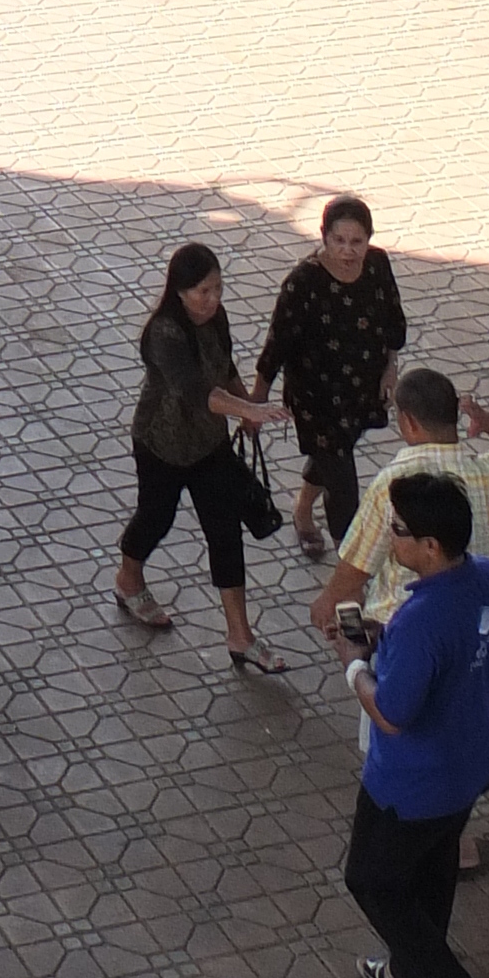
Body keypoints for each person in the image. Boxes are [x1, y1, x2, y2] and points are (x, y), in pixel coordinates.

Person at [316, 371, 489, 874]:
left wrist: (335, 622)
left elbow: (356, 567)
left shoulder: (397, 485)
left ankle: (409, 858)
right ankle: (449, 843)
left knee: (391, 752)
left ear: (406, 421)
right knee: (458, 737)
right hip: (470, 638)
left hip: (402, 641)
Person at [341, 471, 489, 978]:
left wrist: (356, 664)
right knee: (434, 869)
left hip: (410, 786)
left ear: (432, 547)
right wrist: (386, 643)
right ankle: (410, 977)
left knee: (371, 880)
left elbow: (391, 712)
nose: (392, 539)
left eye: (400, 532)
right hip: (469, 766)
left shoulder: (422, 621)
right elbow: (454, 657)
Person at [114, 240, 290, 672]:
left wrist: (245, 403)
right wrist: (248, 409)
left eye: (217, 289)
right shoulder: (165, 332)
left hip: (209, 445)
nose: (212, 300)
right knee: (156, 516)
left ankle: (240, 636)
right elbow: (196, 392)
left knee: (224, 531)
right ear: (179, 291)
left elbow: (224, 368)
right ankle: (128, 577)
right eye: (202, 292)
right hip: (163, 445)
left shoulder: (217, 318)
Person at [255, 193, 406, 556]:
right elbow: (277, 344)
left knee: (335, 455)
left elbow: (392, 320)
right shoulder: (302, 283)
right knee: (343, 483)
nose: (348, 251)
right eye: (339, 241)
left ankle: (303, 508)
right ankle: (348, 565)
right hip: (316, 398)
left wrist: (390, 367)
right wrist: (255, 404)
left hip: (362, 386)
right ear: (324, 237)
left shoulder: (377, 265)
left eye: (357, 242)